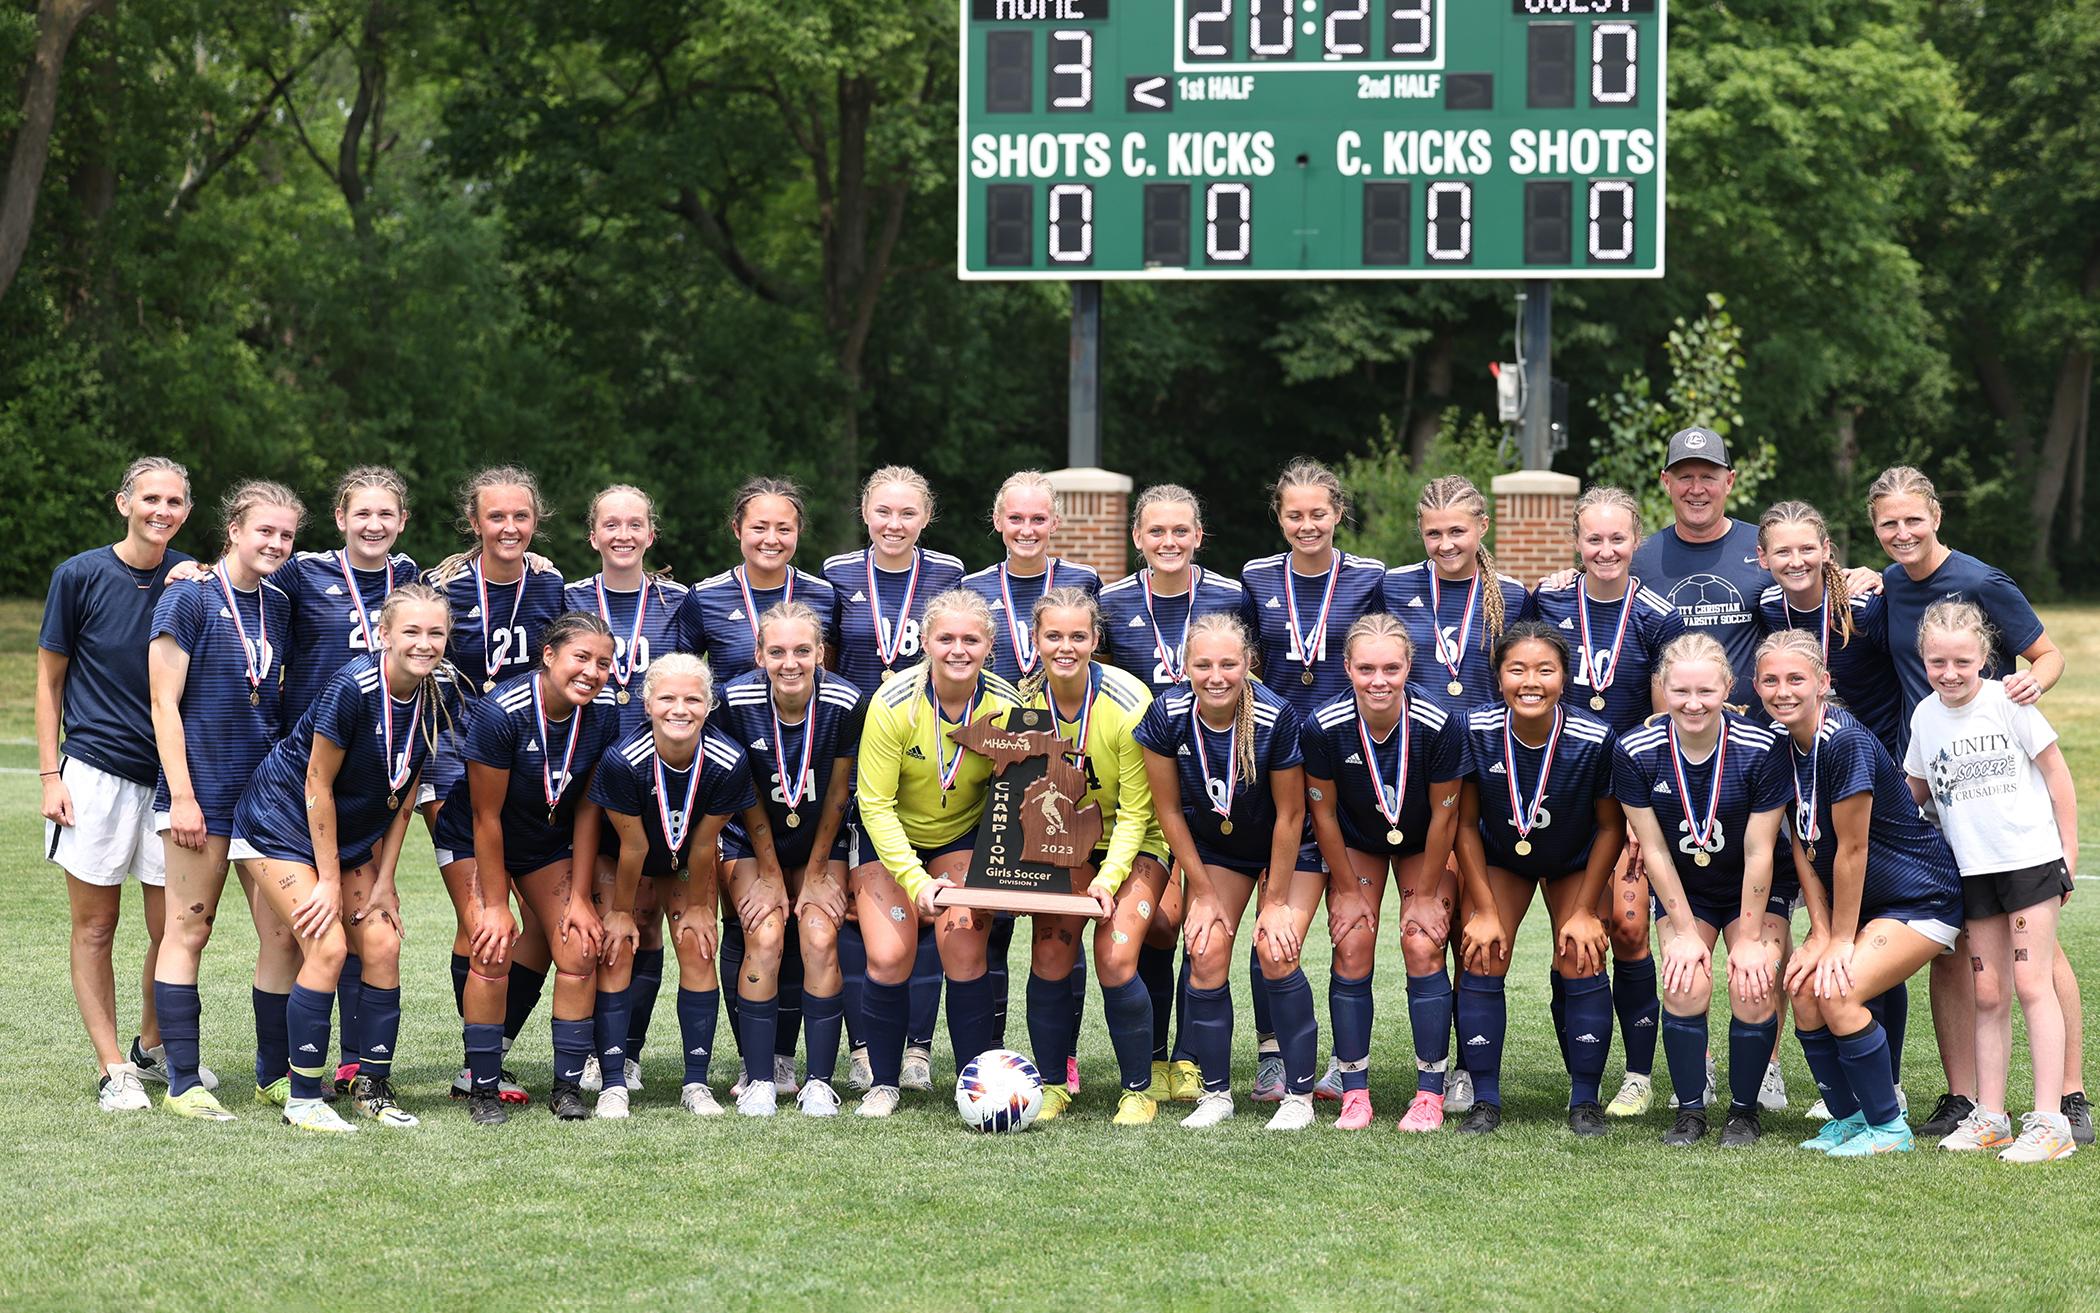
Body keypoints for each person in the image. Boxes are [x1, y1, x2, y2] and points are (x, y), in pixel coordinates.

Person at [1868, 465, 2084, 1143]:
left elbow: (2044, 655)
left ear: (1936, 514)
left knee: (2039, 961)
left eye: (1913, 518)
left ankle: (2067, 1096)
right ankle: (1970, 1101)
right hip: (1940, 789)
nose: (1902, 532)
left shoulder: (1984, 580)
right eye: (1888, 523)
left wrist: (2029, 689)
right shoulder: (1891, 588)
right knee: (1954, 948)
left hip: (2004, 797)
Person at [228, 584, 452, 1132]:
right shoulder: (351, 687)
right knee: (326, 945)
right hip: (280, 821)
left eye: (437, 633)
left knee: (381, 941)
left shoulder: (438, 692)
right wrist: (329, 882)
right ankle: (303, 1098)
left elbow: (406, 795)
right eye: (412, 632)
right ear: (384, 634)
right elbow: (316, 783)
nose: (424, 644)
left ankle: (370, 1087)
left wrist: (386, 881)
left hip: (348, 836)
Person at [1759, 629, 1965, 1157]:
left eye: (1796, 679)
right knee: (1802, 988)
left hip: (1919, 898)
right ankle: (1849, 1117)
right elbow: (1806, 849)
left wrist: (1841, 941)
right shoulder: (1783, 745)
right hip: (1862, 911)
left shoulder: (1844, 740)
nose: (1783, 690)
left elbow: (1851, 851)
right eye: (1771, 680)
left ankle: (1889, 1129)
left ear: (1823, 682)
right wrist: (1820, 932)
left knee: (1837, 989)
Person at [38, 456, 201, 1111]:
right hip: (95, 776)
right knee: (97, 927)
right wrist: (51, 774)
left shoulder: (191, 579)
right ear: (123, 502)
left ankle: (149, 1048)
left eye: (175, 501)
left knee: (173, 926)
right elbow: (49, 683)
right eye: (150, 498)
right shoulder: (78, 576)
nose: (162, 511)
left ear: (187, 509)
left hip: (168, 779)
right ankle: (113, 1069)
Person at [672, 477, 838, 1099]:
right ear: (736, 530)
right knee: (753, 927)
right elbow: (687, 686)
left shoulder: (824, 595)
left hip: (810, 785)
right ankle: (755, 1062)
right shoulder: (703, 599)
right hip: (738, 794)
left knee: (811, 928)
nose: (772, 538)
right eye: (759, 526)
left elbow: (829, 685)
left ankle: (793, 1060)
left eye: (784, 527)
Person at [146, 481, 305, 1121]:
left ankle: (273, 1073)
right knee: (190, 928)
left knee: (282, 935)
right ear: (233, 529)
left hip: (264, 798)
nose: (274, 543)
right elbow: (162, 703)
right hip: (201, 792)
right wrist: (182, 796)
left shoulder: (280, 603)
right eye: (263, 530)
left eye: (286, 535)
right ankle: (184, 1080)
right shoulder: (188, 596)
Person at [1524, 486, 1682, 1119]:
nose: (1606, 549)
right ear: (1576, 541)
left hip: (1628, 795)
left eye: (1618, 538)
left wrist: (1648, 817)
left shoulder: (1657, 614)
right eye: (1594, 538)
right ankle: (1579, 1064)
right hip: (1559, 788)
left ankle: (1639, 1074)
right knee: (1573, 933)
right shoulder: (1551, 598)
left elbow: (1664, 712)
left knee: (1629, 926)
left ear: (1636, 541)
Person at [430, 612, 621, 1124]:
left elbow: (586, 810)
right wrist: (495, 905)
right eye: (581, 657)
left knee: (580, 944)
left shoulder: (601, 716)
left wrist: (580, 896)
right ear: (550, 655)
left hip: (544, 841)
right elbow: (484, 815)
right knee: (490, 947)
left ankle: (567, 1087)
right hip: (473, 838)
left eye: (603, 662)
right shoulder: (501, 713)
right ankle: (483, 1087)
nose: (591, 671)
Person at [1904, 602, 2080, 1162]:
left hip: (2028, 861)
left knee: (2032, 984)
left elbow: (2058, 775)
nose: (1950, 672)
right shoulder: (1925, 716)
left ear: (1984, 657)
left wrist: (2067, 856)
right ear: (1923, 660)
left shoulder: (2009, 701)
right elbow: (1914, 793)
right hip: (1971, 869)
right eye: (1938, 662)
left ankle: (2052, 1123)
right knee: (1987, 992)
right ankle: (1991, 1116)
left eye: (1962, 660)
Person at [1378, 474, 1526, 1119]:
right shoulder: (1396, 587)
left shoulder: (1513, 596)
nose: (1445, 543)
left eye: (1457, 531)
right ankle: (1435, 1069)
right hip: (1418, 771)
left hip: (1491, 773)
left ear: (1481, 529)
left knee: (1473, 920)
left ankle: (1471, 1064)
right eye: (1434, 532)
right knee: (1429, 921)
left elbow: (1529, 670)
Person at [1134, 614, 1317, 1130]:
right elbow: (1168, 812)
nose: (1216, 675)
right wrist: (1205, 894)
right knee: (1207, 948)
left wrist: (1275, 901)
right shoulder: (1166, 715)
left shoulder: (1276, 717)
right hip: (1220, 848)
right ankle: (1215, 1093)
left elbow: (1291, 814)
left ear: (1248, 665)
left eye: (1229, 664)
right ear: (1183, 666)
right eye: (1204, 664)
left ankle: (1297, 1096)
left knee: (1276, 951)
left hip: (1289, 847)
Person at [1240, 459, 1385, 1105]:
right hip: (1274, 760)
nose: (1307, 524)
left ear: (1337, 514)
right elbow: (1252, 661)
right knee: (1272, 909)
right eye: (1294, 514)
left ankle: (1342, 1063)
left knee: (1353, 923)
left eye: (1318, 513)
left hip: (1348, 762)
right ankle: (1273, 1054)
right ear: (1280, 516)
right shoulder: (1255, 576)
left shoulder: (1370, 577)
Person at [850, 589, 1025, 1117]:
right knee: (888, 954)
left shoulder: (1008, 706)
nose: (957, 649)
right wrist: (916, 880)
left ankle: (975, 1086)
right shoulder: (892, 702)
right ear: (925, 642)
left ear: (989, 645)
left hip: (961, 836)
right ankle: (884, 1083)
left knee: (966, 948)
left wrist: (1012, 871)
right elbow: (875, 804)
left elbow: (1018, 796)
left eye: (970, 639)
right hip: (890, 834)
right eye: (945, 638)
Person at [423, 467, 567, 1104]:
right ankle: (476, 1062)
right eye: (495, 517)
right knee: (483, 917)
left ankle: (490, 1050)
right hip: (456, 765)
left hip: (529, 771)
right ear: (474, 522)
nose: (509, 528)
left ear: (535, 522)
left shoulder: (550, 584)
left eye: (521, 517)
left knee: (536, 926)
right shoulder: (442, 586)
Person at [1756, 500, 1905, 1114]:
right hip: (1807, 775)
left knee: (1866, 924)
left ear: (1827, 551)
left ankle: (1887, 1076)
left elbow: (1909, 676)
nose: (1795, 561)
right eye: (1781, 551)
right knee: (1826, 908)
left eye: (1806, 548)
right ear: (1764, 559)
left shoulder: (1869, 605)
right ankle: (1843, 1084)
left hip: (1869, 775)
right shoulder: (1766, 608)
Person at [1612, 634, 1790, 1147]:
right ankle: (1691, 1110)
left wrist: (1751, 939)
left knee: (1752, 987)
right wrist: (1685, 932)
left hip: (1749, 889)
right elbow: (1654, 850)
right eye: (1680, 691)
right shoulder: (1635, 750)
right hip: (1684, 890)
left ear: (1728, 688)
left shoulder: (1762, 746)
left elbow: (1760, 850)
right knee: (1685, 982)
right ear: (1662, 688)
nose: (1693, 703)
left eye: (1706, 691)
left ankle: (1743, 1111)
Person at [277, 466, 421, 1096]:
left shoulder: (414, 579)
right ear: (340, 518)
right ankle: (279, 1073)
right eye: (362, 513)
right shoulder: (303, 569)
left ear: (402, 521)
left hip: (366, 787)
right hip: (301, 780)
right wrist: (195, 571)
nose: (374, 525)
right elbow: (242, 576)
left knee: (370, 938)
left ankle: (358, 1070)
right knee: (296, 935)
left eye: (386, 514)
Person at [824, 466, 967, 1096]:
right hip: (858, 747)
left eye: (907, 513)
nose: (894, 523)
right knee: (869, 914)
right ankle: (865, 1049)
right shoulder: (835, 574)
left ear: (925, 517)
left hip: (935, 749)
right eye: (883, 511)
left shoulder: (949, 574)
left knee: (943, 913)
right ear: (865, 513)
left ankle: (919, 1048)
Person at [1097, 483, 1242, 1102]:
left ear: (1199, 536)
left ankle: (1188, 1055)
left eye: (1181, 531)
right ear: (1137, 538)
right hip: (1143, 773)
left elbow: (1242, 672)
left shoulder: (1231, 595)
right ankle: (1155, 1054)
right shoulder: (1112, 600)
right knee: (1161, 918)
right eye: (1156, 531)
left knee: (1198, 920)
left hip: (1217, 770)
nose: (1169, 542)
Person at [581, 653, 772, 1118]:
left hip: (687, 862)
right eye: (667, 698)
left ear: (709, 705)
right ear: (647, 704)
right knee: (618, 945)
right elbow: (632, 846)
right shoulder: (624, 760)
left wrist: (703, 904)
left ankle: (696, 1083)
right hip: (627, 860)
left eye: (692, 698)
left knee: (696, 942)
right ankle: (613, 1081)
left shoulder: (728, 760)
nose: (679, 709)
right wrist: (621, 911)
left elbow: (705, 844)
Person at [1453, 622, 1623, 1137]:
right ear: (1498, 676)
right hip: (1503, 857)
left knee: (1581, 951)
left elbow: (1612, 828)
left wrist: (1585, 910)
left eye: (1545, 670)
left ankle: (1585, 1098)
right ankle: (1484, 1098)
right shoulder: (1475, 729)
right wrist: (1482, 909)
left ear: (1565, 678)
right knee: (1482, 950)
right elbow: (1463, 824)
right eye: (1517, 669)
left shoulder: (1595, 737)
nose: (1531, 681)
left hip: (1575, 859)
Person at [962, 472, 1102, 1095]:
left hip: (1056, 769)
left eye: (1038, 519)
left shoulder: (1081, 586)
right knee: (989, 913)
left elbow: (1099, 666)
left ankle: (1060, 1057)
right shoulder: (970, 587)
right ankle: (989, 1059)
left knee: (1057, 920)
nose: (1026, 530)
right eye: (1015, 519)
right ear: (997, 522)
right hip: (994, 764)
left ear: (1055, 524)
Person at [1301, 614, 1464, 1131]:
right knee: (1351, 939)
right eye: (1366, 667)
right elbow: (1323, 814)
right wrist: (1347, 891)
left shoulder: (1439, 722)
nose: (1379, 680)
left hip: (1423, 841)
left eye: (1391, 668)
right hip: (1357, 841)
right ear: (1347, 667)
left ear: (1408, 667)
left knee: (1421, 940)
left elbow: (1446, 815)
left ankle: (1430, 1093)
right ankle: (1354, 1091)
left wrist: (1425, 894)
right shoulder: (1323, 725)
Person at [1016, 587, 1168, 1126]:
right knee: (1051, 951)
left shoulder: (1129, 700)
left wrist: (1108, 879)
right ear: (1035, 641)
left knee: (1115, 954)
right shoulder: (1023, 706)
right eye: (1053, 636)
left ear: (1095, 640)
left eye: (1077, 636)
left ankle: (1138, 1089)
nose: (1065, 646)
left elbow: (1134, 811)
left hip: (1134, 839)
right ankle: (1054, 1083)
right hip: (1064, 841)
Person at [713, 603, 865, 1115]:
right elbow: (743, 792)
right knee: (766, 931)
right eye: (776, 651)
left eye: (803, 650)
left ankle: (819, 1081)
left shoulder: (845, 702)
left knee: (821, 935)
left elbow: (840, 791)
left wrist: (819, 871)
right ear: (759, 654)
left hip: (821, 839)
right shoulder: (733, 700)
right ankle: (759, 1078)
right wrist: (772, 875)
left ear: (821, 653)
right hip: (750, 840)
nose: (790, 662)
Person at [563, 485, 689, 1100]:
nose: (622, 534)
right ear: (593, 535)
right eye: (610, 524)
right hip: (582, 773)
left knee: (645, 921)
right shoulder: (565, 598)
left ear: (650, 534)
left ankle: (627, 1054)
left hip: (655, 782)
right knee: (594, 913)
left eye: (634, 524)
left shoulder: (678, 604)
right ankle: (587, 1048)